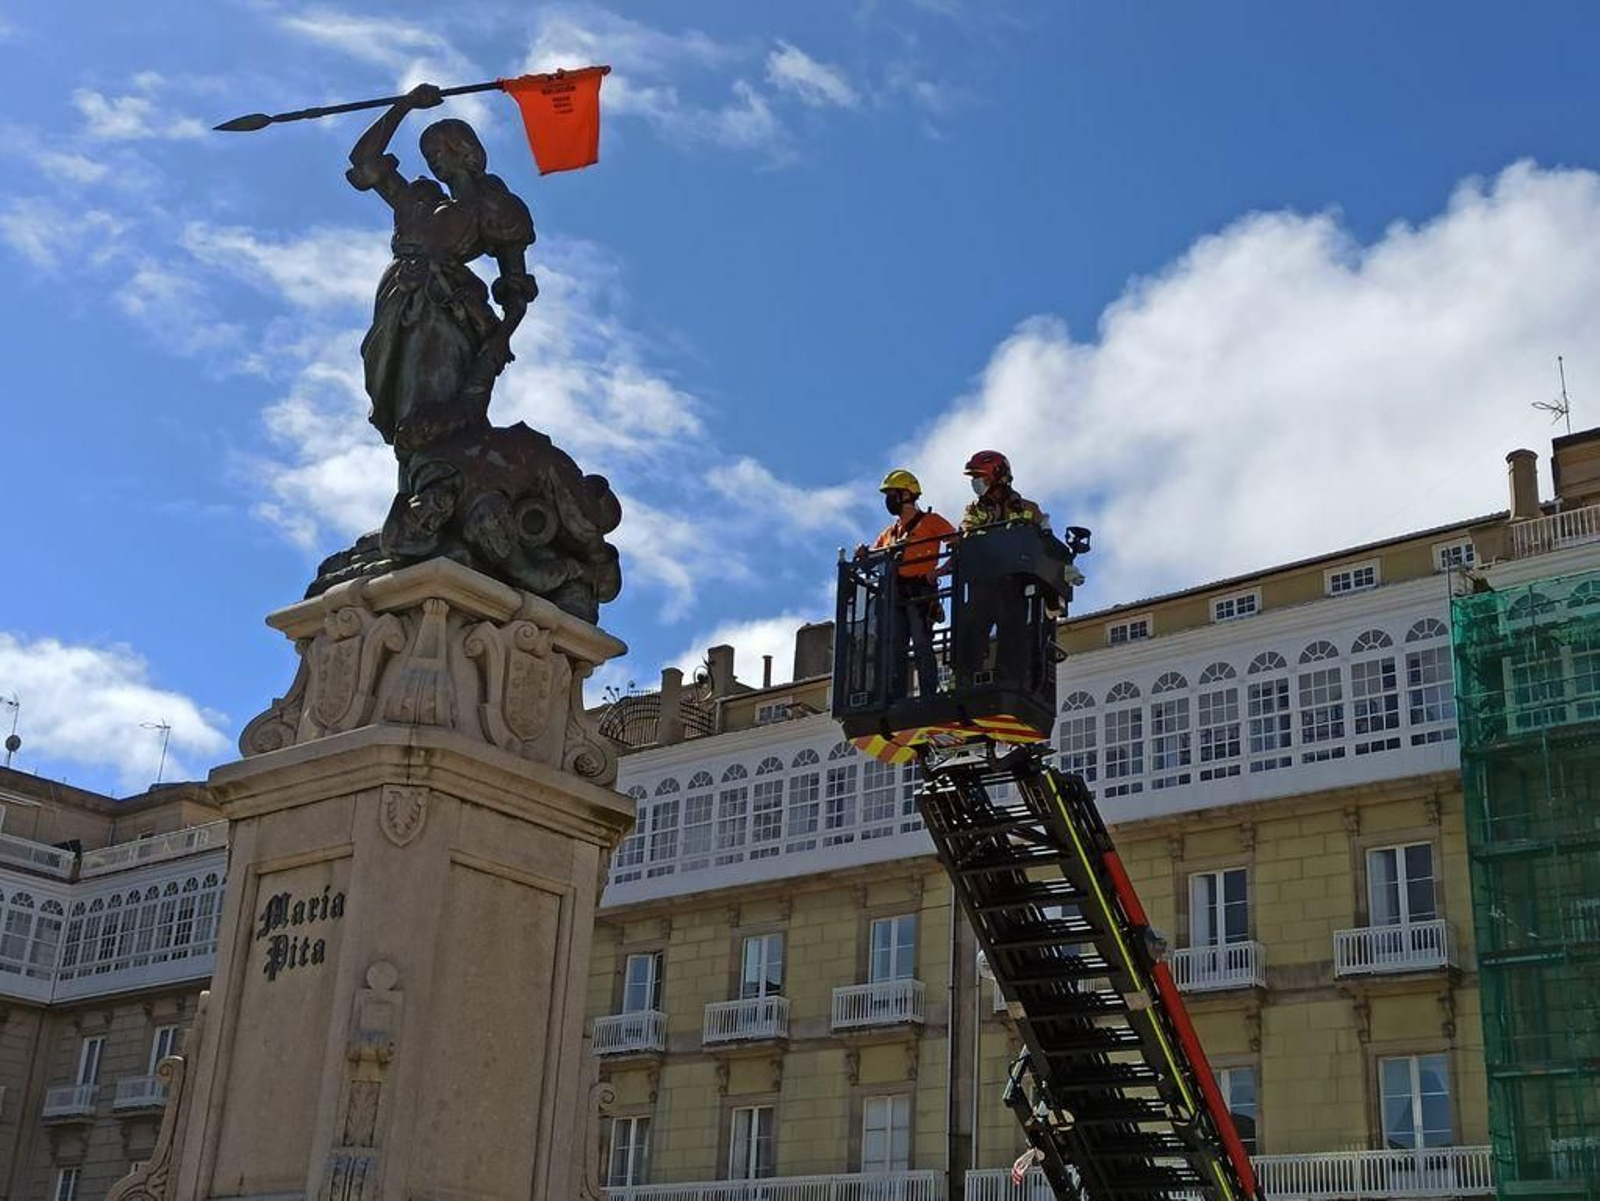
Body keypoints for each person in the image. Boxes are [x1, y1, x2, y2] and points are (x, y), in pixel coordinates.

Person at [346, 82, 541, 460]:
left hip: (451, 308)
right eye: (428, 153)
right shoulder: (418, 200)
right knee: (401, 405)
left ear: (462, 150)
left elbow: (516, 292)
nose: (433, 159)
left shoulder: (496, 207)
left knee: (429, 407)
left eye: (439, 150)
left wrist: (499, 341)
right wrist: (404, 106)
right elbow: (363, 160)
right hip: (397, 307)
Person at [857, 469, 957, 699]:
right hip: (895, 594)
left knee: (922, 644)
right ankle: (896, 697)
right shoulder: (889, 533)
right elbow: (873, 559)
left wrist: (940, 571)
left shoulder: (931, 522)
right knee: (894, 647)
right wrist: (863, 554)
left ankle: (928, 695)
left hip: (921, 591)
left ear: (906, 494)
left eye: (892, 494)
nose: (888, 500)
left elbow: (958, 545)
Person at [957, 451, 1048, 685]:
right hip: (984, 581)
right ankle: (964, 680)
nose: (975, 483)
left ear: (997, 476)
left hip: (1015, 582)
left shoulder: (1028, 508)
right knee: (972, 628)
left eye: (979, 477)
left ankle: (1008, 680)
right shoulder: (974, 510)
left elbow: (1045, 541)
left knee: (1014, 630)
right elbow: (968, 535)